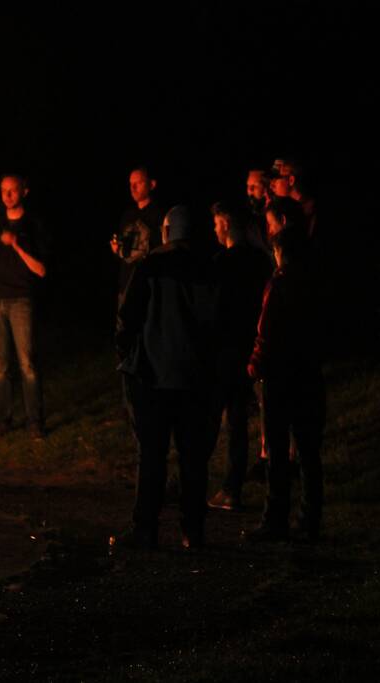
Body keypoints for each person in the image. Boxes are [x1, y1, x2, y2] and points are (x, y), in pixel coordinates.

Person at [115, 206, 220, 550]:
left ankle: (146, 530)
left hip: (153, 378)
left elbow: (127, 317)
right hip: (196, 379)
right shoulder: (211, 266)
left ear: (166, 231)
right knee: (193, 460)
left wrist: (129, 356)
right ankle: (194, 531)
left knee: (152, 457)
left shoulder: (150, 266)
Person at [246, 228, 325, 542]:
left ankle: (275, 518)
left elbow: (266, 330)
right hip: (308, 374)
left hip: (280, 375)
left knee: (277, 451)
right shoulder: (315, 285)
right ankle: (310, 518)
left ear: (281, 253)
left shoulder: (278, 284)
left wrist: (255, 363)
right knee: (308, 451)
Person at [207, 200, 273, 512]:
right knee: (237, 420)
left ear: (226, 225)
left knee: (213, 417)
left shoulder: (223, 264)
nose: (214, 229)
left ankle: (199, 483)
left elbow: (214, 309)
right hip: (250, 345)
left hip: (225, 348)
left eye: (217, 223)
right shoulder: (261, 262)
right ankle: (232, 487)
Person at [0, 174, 49, 438]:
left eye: (12, 191)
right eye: (3, 191)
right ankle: (4, 419)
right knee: (0, 367)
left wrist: (17, 244)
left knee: (27, 364)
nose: (7, 196)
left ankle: (34, 421)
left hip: (21, 300)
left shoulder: (33, 225)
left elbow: (40, 270)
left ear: (24, 192)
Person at [110, 166, 164, 299]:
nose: (133, 188)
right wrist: (116, 249)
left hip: (149, 286)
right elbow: (123, 250)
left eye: (138, 183)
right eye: (130, 184)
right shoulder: (127, 215)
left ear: (152, 184)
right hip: (126, 285)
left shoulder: (159, 214)